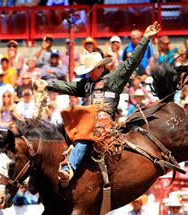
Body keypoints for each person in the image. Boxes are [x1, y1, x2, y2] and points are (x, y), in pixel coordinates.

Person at [38, 21, 162, 186]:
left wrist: (145, 39)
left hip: (103, 126)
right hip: (85, 124)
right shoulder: (86, 84)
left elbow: (132, 62)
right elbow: (68, 86)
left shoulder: (113, 79)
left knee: (85, 138)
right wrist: (48, 84)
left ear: (100, 68)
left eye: (92, 70)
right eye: (88, 71)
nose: (89, 74)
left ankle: (69, 168)